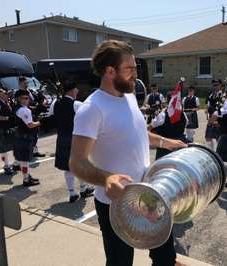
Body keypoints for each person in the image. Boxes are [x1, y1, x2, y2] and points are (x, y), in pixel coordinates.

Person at [69, 40, 187, 266]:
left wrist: (166, 142)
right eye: (130, 69)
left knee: (165, 256)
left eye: (136, 68)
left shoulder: (130, 97)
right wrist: (106, 178)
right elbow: (77, 162)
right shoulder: (92, 109)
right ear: (110, 71)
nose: (136, 74)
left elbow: (137, 134)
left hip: (149, 193)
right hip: (116, 203)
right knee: (120, 262)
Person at [52, 80, 95, 203]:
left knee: (68, 167)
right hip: (75, 138)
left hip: (61, 137)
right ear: (72, 91)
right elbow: (88, 119)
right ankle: (83, 189)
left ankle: (72, 193)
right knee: (80, 164)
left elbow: (51, 116)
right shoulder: (76, 104)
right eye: (76, 90)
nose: (77, 91)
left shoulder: (56, 103)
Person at [13, 89, 40, 186]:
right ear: (20, 99)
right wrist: (39, 122)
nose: (28, 100)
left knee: (23, 159)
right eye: (26, 98)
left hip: (19, 135)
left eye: (27, 98)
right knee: (25, 160)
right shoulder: (25, 110)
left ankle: (27, 176)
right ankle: (26, 179)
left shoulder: (16, 108)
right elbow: (30, 125)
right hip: (25, 136)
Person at [0, 88, 19, 175]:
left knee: (15, 145)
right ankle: (6, 166)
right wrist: (7, 118)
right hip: (0, 127)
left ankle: (16, 164)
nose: (7, 95)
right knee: (3, 148)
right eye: (5, 93)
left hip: (10, 127)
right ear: (0, 94)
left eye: (7, 93)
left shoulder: (9, 102)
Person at [18, 76, 46, 157]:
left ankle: (34, 151)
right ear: (20, 83)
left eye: (26, 82)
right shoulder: (19, 93)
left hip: (34, 114)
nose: (26, 83)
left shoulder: (29, 91)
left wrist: (41, 102)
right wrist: (34, 107)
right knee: (28, 135)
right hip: (26, 115)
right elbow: (22, 105)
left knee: (35, 134)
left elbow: (35, 100)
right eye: (24, 82)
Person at [205, 79, 223, 150]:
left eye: (216, 85)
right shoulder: (211, 94)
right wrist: (207, 109)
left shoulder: (223, 95)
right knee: (208, 137)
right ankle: (211, 152)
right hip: (210, 119)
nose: (215, 86)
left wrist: (218, 120)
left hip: (218, 120)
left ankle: (218, 153)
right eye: (214, 85)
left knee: (218, 137)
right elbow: (208, 104)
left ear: (220, 85)